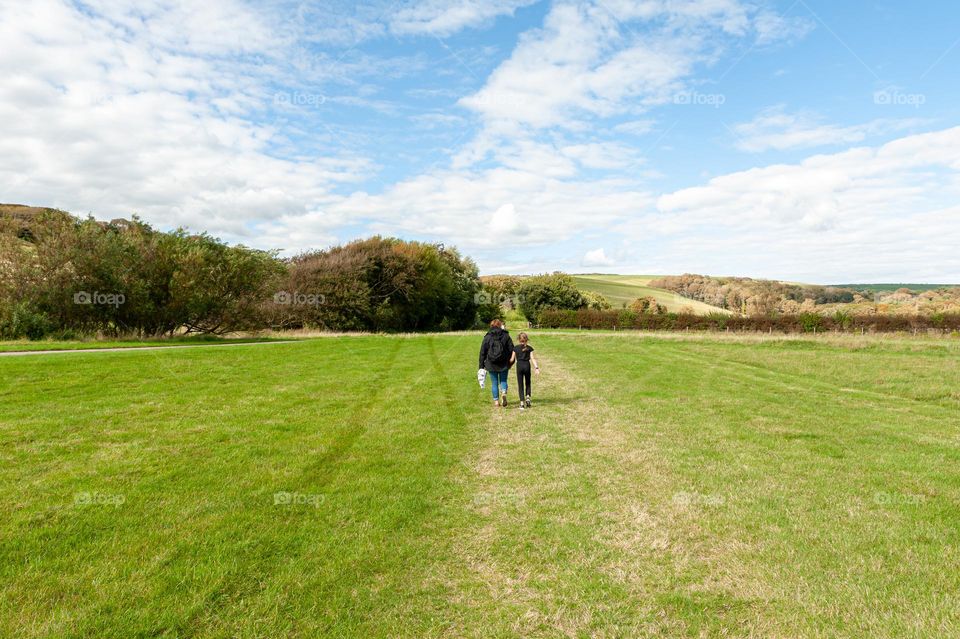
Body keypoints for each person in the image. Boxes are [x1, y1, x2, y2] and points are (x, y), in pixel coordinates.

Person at [478, 319, 515, 407]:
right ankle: (504, 392)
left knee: (494, 383)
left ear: (491, 326)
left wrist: (481, 366)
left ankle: (496, 402)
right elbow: (511, 349)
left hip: (491, 363)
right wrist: (511, 362)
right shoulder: (506, 335)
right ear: (500, 325)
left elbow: (482, 352)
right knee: (503, 380)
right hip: (504, 362)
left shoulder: (487, 336)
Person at [513, 332, 539, 410]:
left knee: (520, 384)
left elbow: (512, 359)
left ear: (518, 339)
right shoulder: (529, 348)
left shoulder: (516, 348)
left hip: (519, 366)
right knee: (528, 382)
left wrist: (507, 365)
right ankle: (528, 396)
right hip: (527, 365)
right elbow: (533, 358)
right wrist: (536, 368)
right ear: (526, 340)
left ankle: (521, 403)